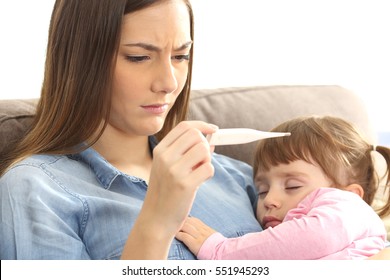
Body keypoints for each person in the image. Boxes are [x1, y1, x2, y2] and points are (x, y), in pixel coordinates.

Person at [0, 0, 261, 260]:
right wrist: (157, 223)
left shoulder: (237, 177)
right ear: (81, 61)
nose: (169, 83)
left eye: (181, 56)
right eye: (139, 57)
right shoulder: (36, 191)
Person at [176, 116, 390, 259]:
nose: (269, 200)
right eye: (262, 190)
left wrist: (220, 251)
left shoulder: (349, 208)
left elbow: (315, 237)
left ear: (351, 195)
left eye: (293, 186)